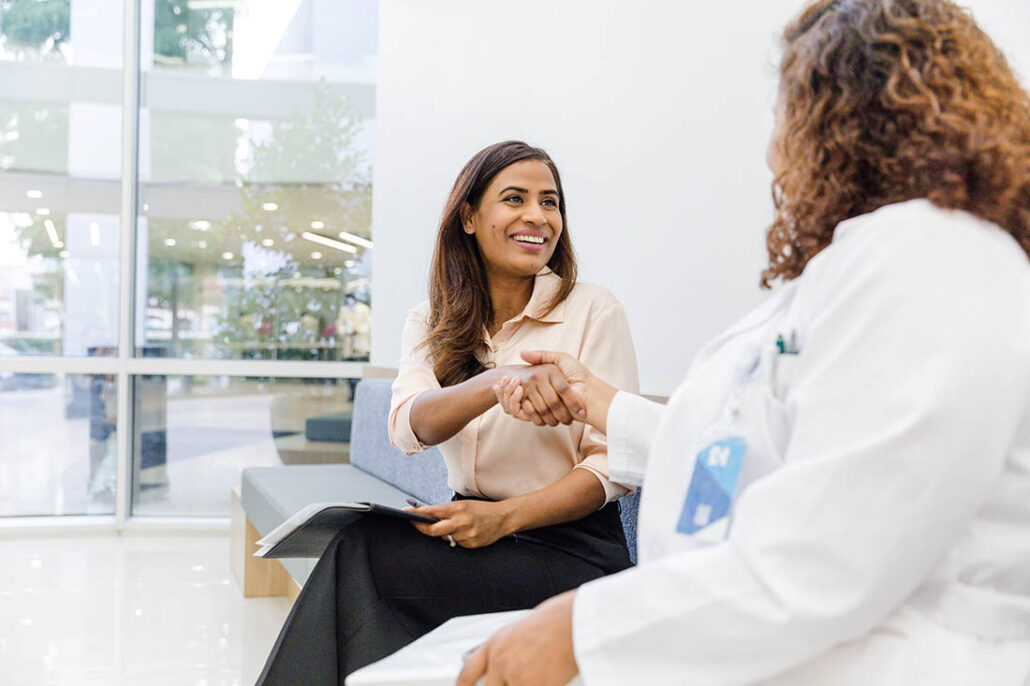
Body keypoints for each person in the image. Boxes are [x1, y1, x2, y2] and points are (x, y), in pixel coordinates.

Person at [461, 1, 1030, 684]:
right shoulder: (864, 267)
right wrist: (604, 405)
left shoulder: (930, 259)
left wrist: (582, 630)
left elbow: (828, 558)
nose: (772, 152)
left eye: (787, 116)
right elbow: (754, 445)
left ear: (842, 124)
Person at [257, 141, 639, 684]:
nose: (538, 216)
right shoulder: (433, 319)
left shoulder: (594, 310)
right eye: (515, 199)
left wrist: (504, 518)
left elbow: (613, 468)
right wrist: (497, 380)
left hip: (572, 550)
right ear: (469, 217)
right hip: (471, 531)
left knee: (365, 563)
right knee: (358, 549)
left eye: (550, 202)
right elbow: (409, 425)